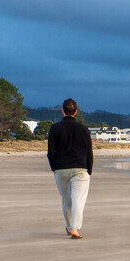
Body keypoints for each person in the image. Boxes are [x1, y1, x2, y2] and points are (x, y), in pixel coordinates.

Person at [47, 98, 94, 239]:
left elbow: (51, 152)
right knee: (78, 200)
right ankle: (75, 228)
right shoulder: (84, 129)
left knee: (66, 200)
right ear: (76, 112)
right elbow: (89, 152)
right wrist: (89, 170)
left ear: (62, 110)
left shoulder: (55, 128)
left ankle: (69, 226)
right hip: (80, 169)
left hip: (61, 169)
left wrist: (54, 168)